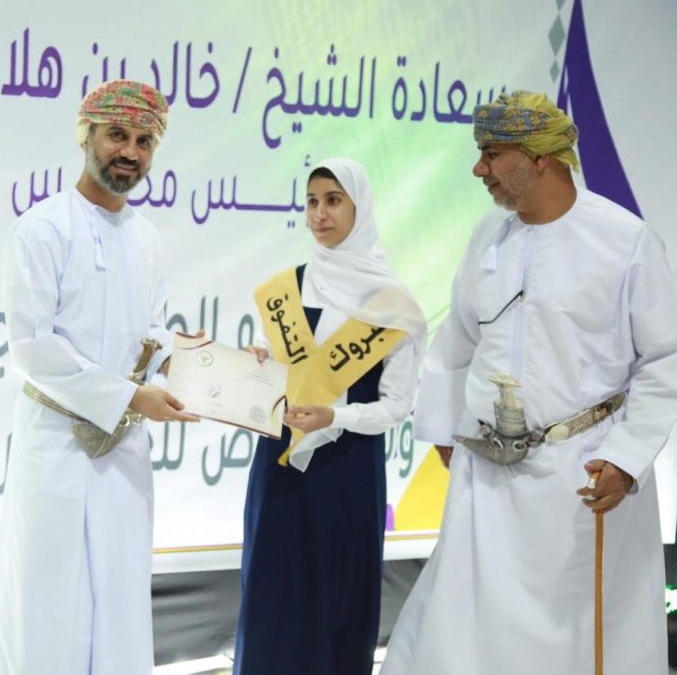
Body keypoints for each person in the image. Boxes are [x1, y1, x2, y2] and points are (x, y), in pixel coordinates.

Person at [381, 91, 677, 674]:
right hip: (487, 478)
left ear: (540, 157)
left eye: (492, 154)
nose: (479, 169)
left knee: (575, 639)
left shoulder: (624, 241)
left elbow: (664, 358)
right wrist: (441, 426)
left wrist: (626, 457)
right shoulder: (487, 237)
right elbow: (458, 339)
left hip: (581, 475)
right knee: (466, 628)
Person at [0, 79, 198, 675]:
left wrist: (195, 363)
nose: (130, 152)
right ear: (86, 137)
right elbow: (31, 347)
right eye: (117, 135)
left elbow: (153, 332)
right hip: (56, 447)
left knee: (121, 597)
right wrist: (130, 396)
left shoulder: (147, 238)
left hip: (123, 452)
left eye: (144, 141)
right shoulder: (42, 228)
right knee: (49, 601)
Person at [235, 158, 427, 675]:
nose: (320, 214)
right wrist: (257, 365)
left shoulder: (393, 304)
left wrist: (336, 417)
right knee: (273, 590)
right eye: (312, 202)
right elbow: (284, 374)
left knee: (337, 597)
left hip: (347, 471)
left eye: (334, 201)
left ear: (360, 208)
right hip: (280, 463)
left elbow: (396, 406)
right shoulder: (287, 289)